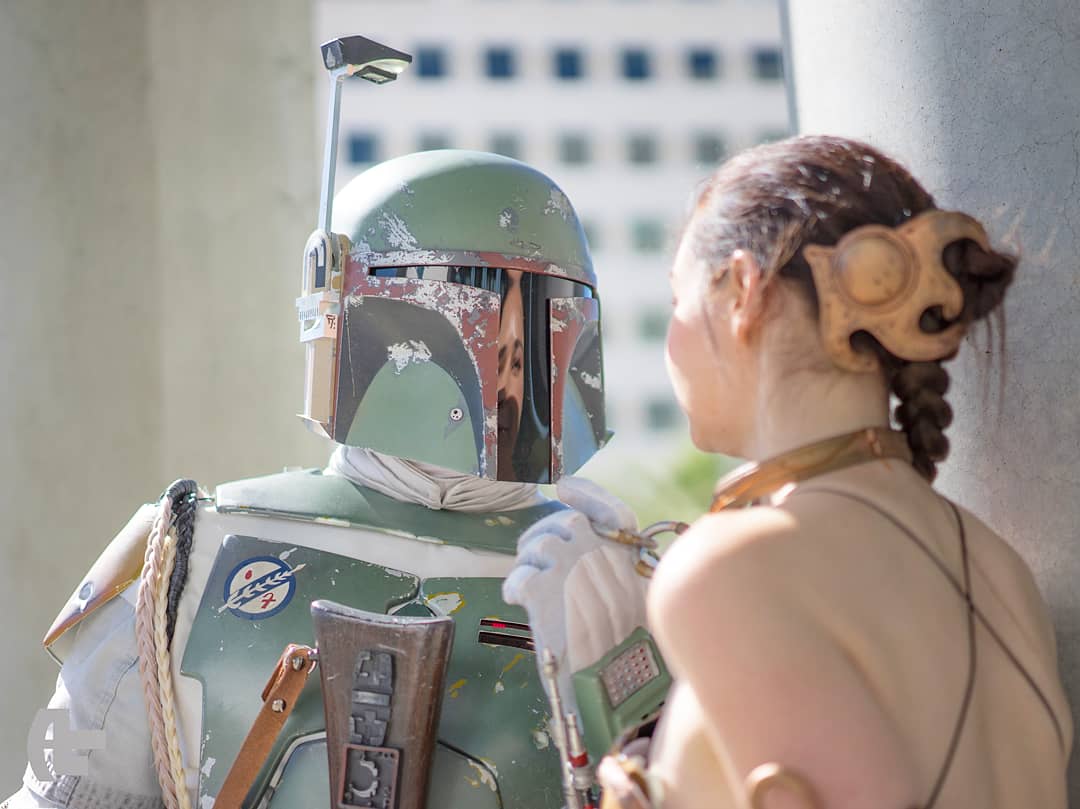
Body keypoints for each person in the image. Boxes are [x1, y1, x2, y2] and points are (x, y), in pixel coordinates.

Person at [4, 148, 612, 809]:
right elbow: (65, 791)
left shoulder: (615, 577)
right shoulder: (186, 556)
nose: (509, 349)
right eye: (471, 290)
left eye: (539, 301)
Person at [505, 135, 1072, 809]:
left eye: (678, 301)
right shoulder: (998, 564)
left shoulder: (731, 568)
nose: (671, 340)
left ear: (743, 291)